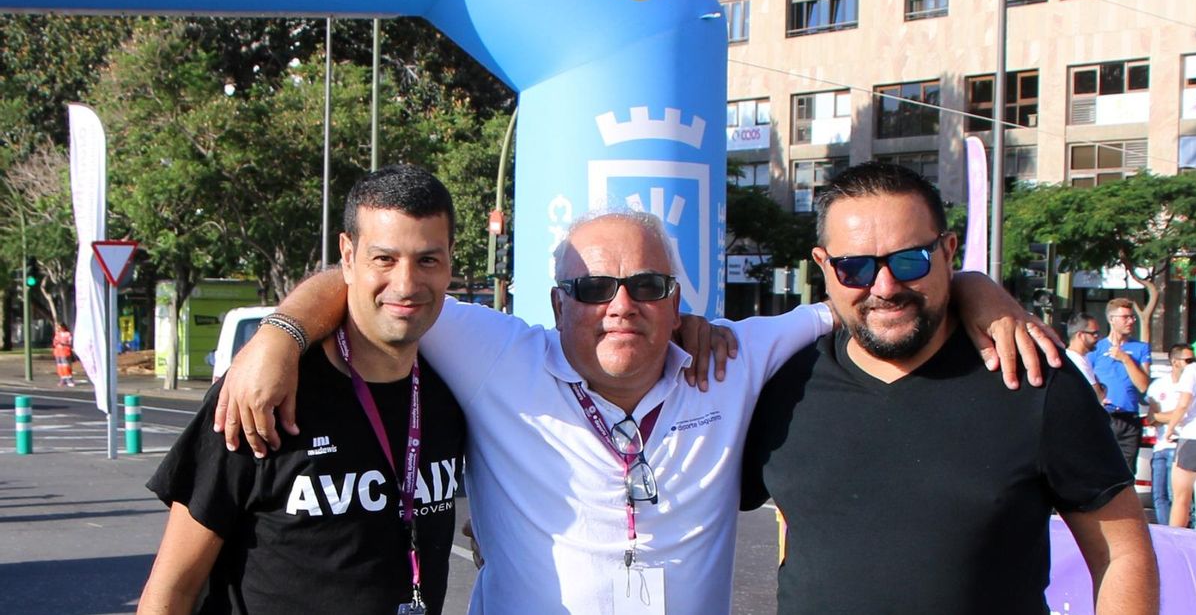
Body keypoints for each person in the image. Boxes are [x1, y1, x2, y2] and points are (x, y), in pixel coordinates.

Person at [218, 214, 1059, 612]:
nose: (619, 307)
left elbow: (858, 298)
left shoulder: (732, 356)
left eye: (648, 287)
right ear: (556, 302)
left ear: (678, 297)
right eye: (591, 288)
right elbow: (382, 281)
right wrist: (281, 334)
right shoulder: (496, 353)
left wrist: (980, 289)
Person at [742, 163, 1157, 613]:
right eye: (855, 267)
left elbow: (1122, 554)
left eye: (909, 260)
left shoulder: (1032, 377)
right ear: (824, 265)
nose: (885, 286)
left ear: (948, 252)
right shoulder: (779, 383)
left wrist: (979, 288)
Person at [138, 165, 468, 614]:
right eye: (384, 259)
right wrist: (280, 335)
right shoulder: (262, 396)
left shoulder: (453, 392)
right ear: (348, 258)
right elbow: (171, 591)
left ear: (450, 261)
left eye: (427, 259)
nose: (406, 284)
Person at [1088, 297, 1152, 474]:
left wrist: (1125, 358)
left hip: (1129, 419)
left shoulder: (1141, 348)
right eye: (1125, 317)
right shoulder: (1096, 348)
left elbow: (1144, 385)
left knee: (1126, 474)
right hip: (1104, 417)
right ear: (1111, 319)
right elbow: (1085, 380)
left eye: (1132, 317)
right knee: (1099, 470)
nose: (1130, 321)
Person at [1147, 344, 1193, 524]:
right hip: (1161, 445)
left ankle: (1180, 536)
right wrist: (1176, 415)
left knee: (1180, 497)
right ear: (1174, 362)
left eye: (1194, 360)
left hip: (1182, 445)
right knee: (1159, 496)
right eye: (1188, 360)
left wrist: (1166, 416)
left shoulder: (1192, 384)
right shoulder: (1159, 385)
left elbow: (1187, 412)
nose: (1192, 364)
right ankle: (1165, 536)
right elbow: (1152, 417)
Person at [1165, 346, 1196, 529]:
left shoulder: (1193, 371)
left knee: (1181, 497)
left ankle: (1175, 538)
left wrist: (1170, 428)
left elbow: (1183, 404)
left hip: (1193, 435)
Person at [1065, 312, 1104, 402]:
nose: (1097, 337)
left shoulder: (1080, 358)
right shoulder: (1077, 361)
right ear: (1080, 335)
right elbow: (1098, 396)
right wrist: (1102, 389)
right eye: (1094, 333)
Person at [52, 322, 75, 387]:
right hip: (58, 352)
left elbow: (70, 343)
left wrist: (63, 343)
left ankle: (69, 379)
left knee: (66, 365)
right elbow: (54, 342)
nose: (59, 328)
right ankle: (62, 378)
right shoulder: (57, 334)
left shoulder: (67, 334)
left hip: (65, 351)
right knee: (60, 366)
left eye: (60, 327)